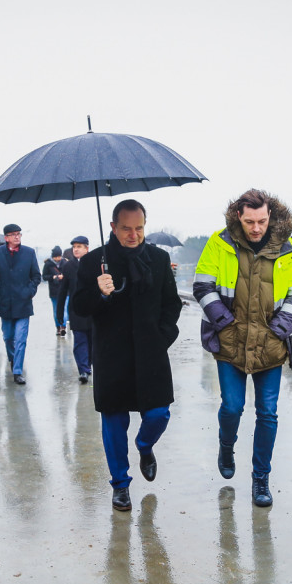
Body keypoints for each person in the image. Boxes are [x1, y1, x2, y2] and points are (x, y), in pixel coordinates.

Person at [193, 189, 292, 507]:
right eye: (249, 221)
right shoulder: (219, 243)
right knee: (232, 407)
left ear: (270, 216)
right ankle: (226, 444)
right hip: (229, 341)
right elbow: (202, 285)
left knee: (267, 413)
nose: (256, 228)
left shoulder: (288, 249)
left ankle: (261, 479)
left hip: (271, 344)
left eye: (261, 221)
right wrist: (225, 323)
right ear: (238, 217)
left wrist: (280, 329)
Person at [72, 200, 182, 511]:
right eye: (126, 229)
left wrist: (161, 338)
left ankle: (145, 445)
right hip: (112, 354)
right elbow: (78, 308)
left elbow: (171, 304)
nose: (133, 235)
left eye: (139, 228)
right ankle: (120, 484)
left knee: (159, 414)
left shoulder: (159, 259)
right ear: (112, 227)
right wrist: (99, 292)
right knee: (114, 421)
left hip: (151, 352)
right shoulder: (94, 262)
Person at [0, 224, 41, 385]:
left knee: (21, 339)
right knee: (8, 338)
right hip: (5, 304)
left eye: (19, 234)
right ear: (6, 238)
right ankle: (12, 358)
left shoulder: (29, 253)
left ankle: (17, 371)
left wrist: (29, 292)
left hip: (24, 304)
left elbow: (37, 277)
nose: (17, 236)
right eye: (13, 234)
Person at [56, 235, 92, 383]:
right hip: (76, 310)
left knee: (92, 341)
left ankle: (88, 365)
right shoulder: (69, 266)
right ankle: (83, 370)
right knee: (80, 341)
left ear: (86, 248)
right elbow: (63, 290)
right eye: (74, 247)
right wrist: (59, 312)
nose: (76, 249)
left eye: (79, 247)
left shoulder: (94, 263)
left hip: (93, 309)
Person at [42, 246, 66, 336]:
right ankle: (58, 328)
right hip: (54, 291)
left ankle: (63, 327)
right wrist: (53, 277)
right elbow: (44, 276)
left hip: (65, 290)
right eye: (55, 257)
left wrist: (63, 276)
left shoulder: (65, 262)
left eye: (59, 256)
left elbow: (69, 274)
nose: (57, 258)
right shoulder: (48, 264)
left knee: (64, 310)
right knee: (56, 310)